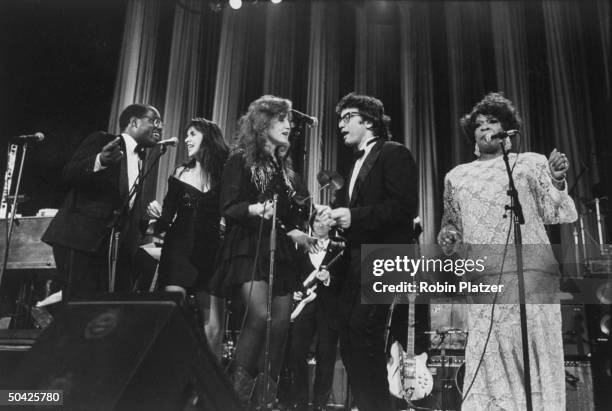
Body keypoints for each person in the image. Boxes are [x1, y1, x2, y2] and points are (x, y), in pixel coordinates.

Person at [437, 92, 577, 410]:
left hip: (533, 276)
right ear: (472, 134)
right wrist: (448, 240)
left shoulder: (530, 163)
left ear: (507, 129)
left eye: (493, 121)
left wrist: (556, 179)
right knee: (490, 357)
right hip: (486, 278)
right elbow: (451, 227)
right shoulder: (456, 177)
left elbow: (558, 213)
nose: (485, 128)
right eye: (479, 124)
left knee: (536, 352)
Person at [209, 95, 317, 405]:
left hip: (279, 250)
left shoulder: (283, 167)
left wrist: (296, 229)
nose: (288, 125)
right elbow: (229, 206)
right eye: (282, 119)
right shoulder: (239, 158)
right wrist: (257, 209)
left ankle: (265, 399)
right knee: (260, 315)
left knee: (281, 324)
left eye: (289, 121)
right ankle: (235, 398)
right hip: (248, 246)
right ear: (263, 123)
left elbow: (284, 216)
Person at [327, 92, 419, 411]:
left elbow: (404, 208)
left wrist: (355, 216)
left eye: (347, 117)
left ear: (368, 120)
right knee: (350, 336)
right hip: (357, 258)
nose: (340, 124)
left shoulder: (394, 153)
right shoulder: (355, 162)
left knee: (364, 333)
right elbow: (360, 212)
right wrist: (337, 218)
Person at [42, 104, 162, 300]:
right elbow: (69, 173)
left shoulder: (141, 159)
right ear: (134, 122)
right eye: (154, 121)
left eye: (161, 123)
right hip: (81, 240)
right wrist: (100, 161)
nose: (160, 127)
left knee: (104, 312)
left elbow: (123, 205)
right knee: (79, 307)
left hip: (111, 247)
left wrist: (148, 225)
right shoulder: (103, 140)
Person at [146, 117, 229, 357]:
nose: (186, 139)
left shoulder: (226, 173)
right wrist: (154, 220)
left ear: (208, 137)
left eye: (193, 133)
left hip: (212, 251)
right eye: (186, 134)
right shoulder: (180, 172)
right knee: (171, 310)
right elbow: (166, 218)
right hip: (179, 249)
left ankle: (209, 385)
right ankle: (169, 373)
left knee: (213, 325)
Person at [287, 215, 346, 411]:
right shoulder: (301, 246)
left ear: (331, 225)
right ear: (310, 224)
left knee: (326, 354)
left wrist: (330, 278)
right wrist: (295, 289)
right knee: (297, 352)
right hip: (304, 307)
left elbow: (347, 278)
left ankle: (320, 404)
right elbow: (293, 273)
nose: (320, 225)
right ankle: (301, 402)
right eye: (316, 222)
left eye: (324, 222)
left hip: (329, 308)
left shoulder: (339, 247)